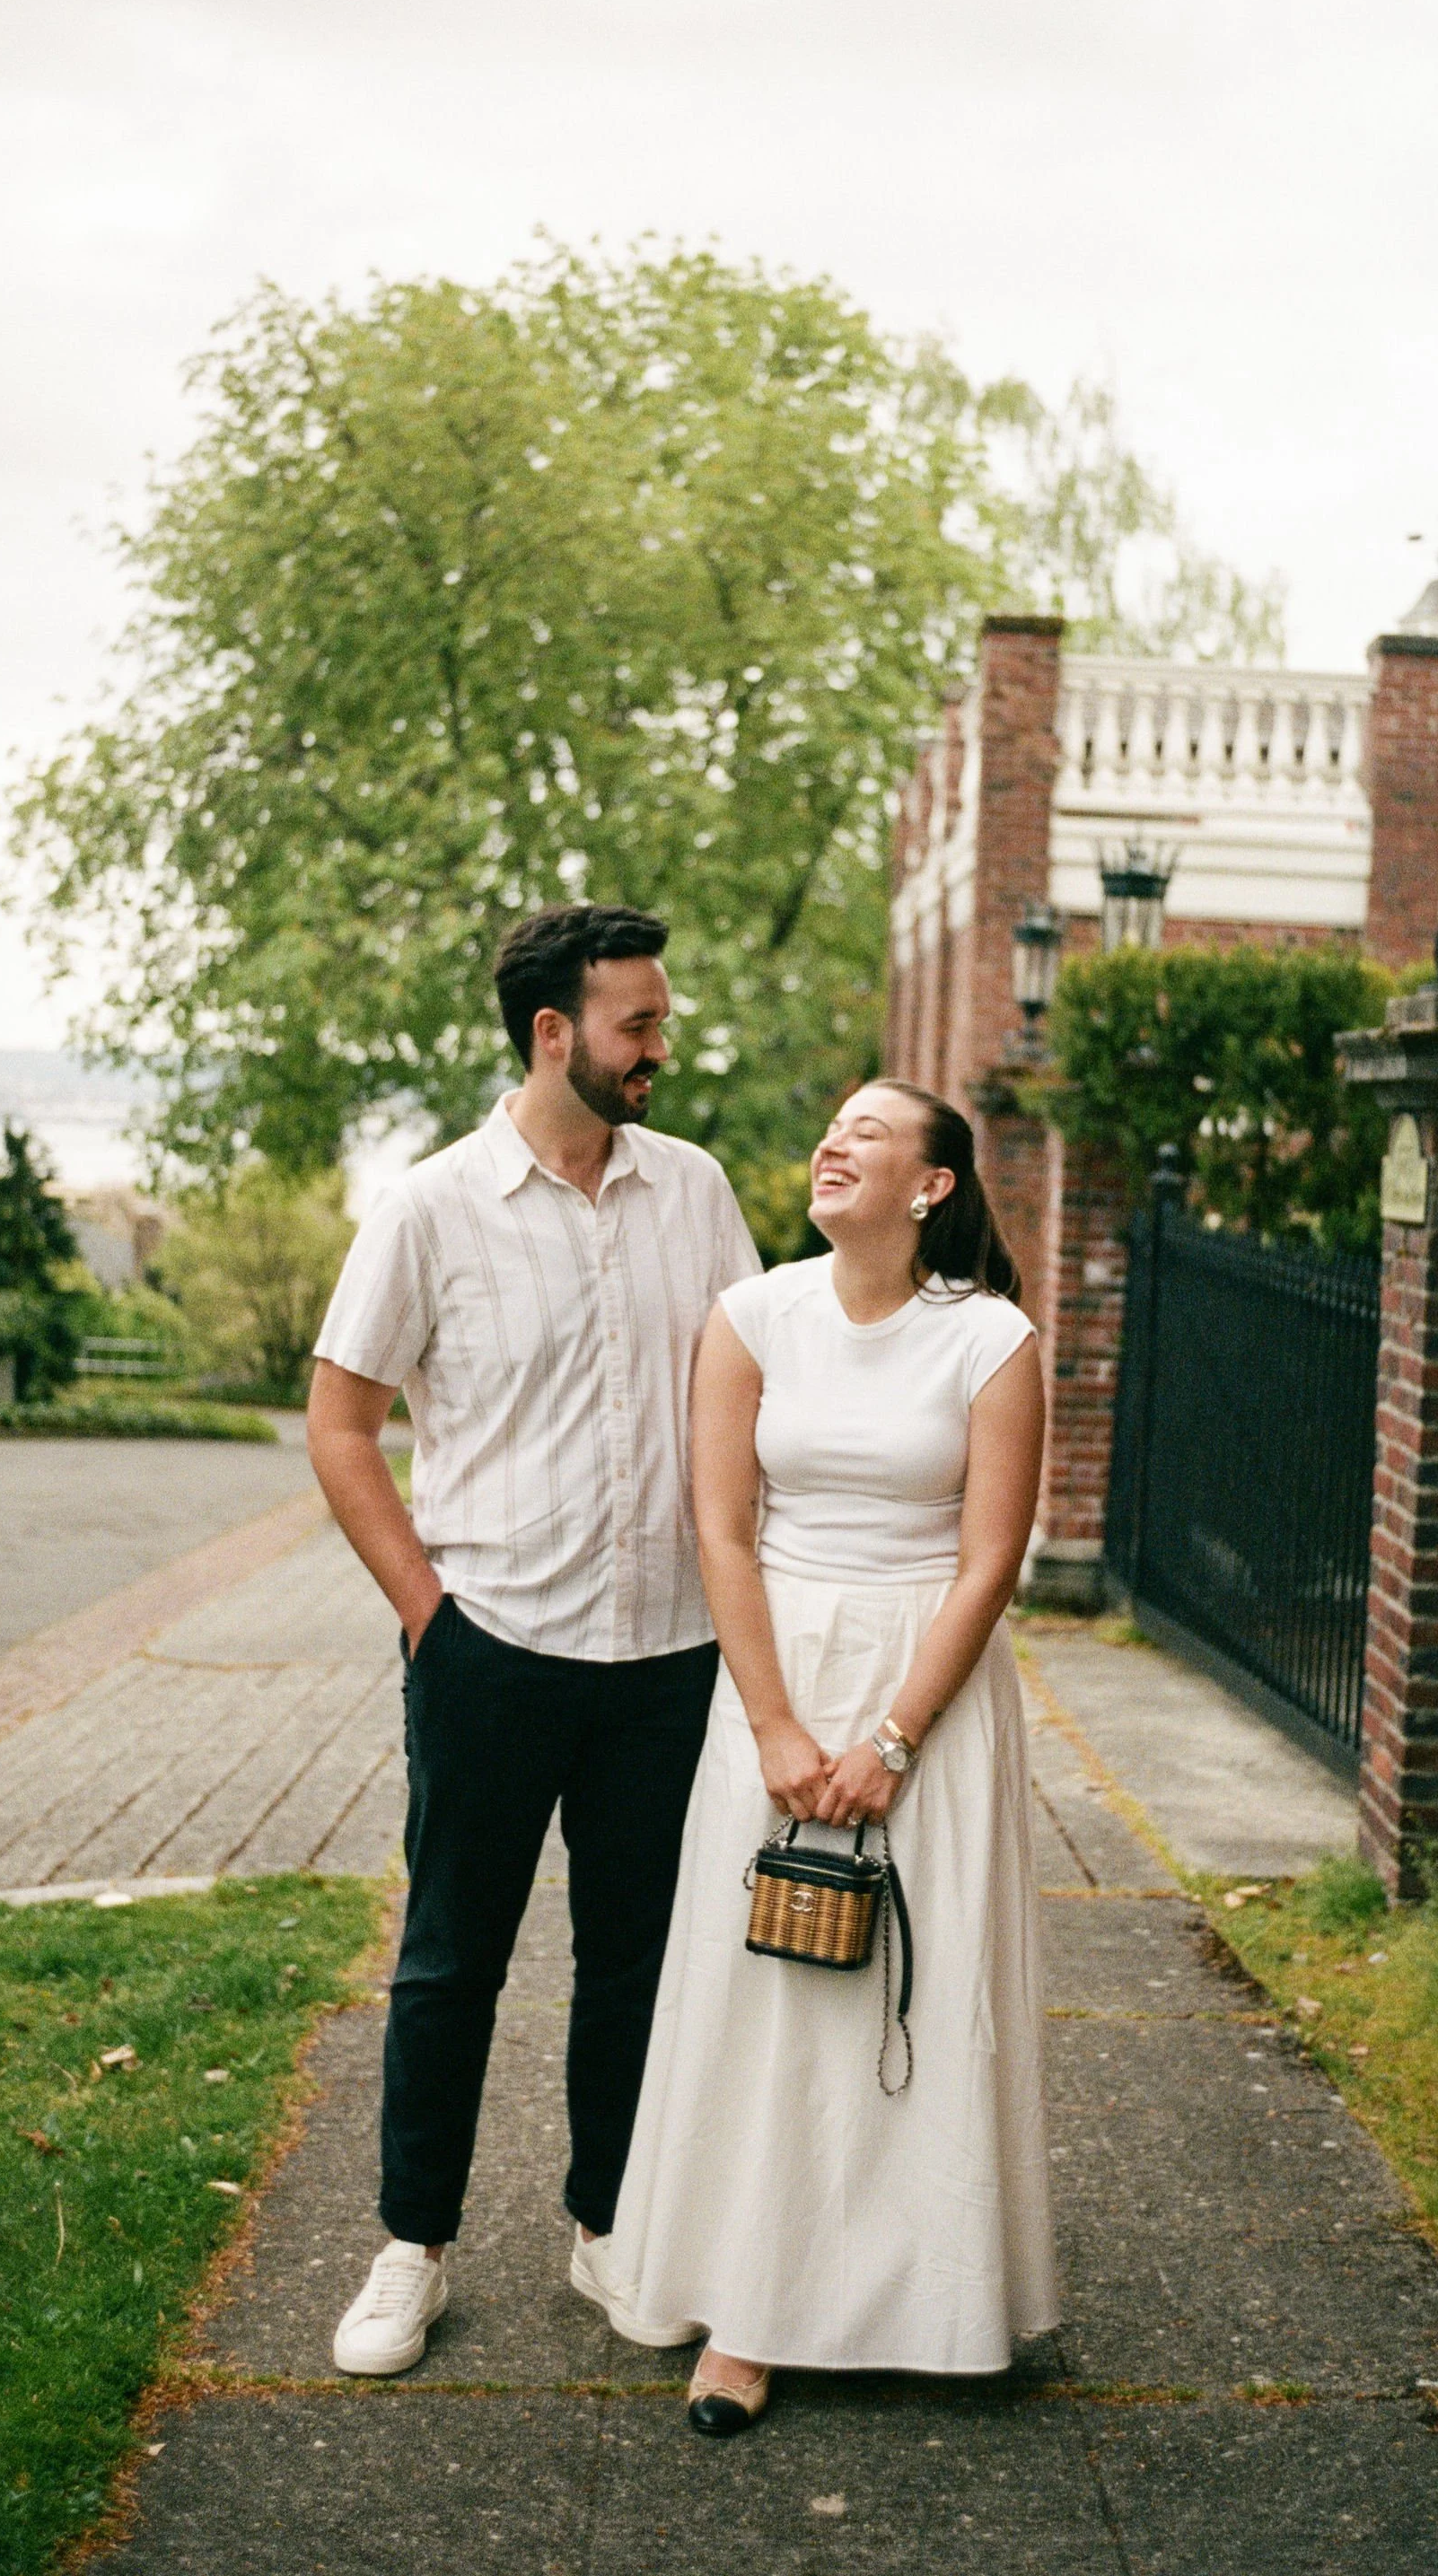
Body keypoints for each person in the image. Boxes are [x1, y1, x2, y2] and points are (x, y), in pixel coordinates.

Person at [309, 902, 759, 2378]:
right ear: (555, 1034)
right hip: (490, 1650)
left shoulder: (695, 1192)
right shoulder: (429, 1209)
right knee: (452, 1962)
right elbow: (341, 1424)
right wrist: (428, 1620)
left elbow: (758, 1383)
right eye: (640, 1023)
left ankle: (608, 2225)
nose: (661, 1045)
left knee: (639, 1962)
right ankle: (412, 2249)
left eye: (662, 1019)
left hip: (669, 1661)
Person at [606, 1078, 1057, 2433]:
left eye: (869, 1131)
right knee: (767, 1998)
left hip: (932, 1689)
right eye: (830, 1127)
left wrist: (896, 1738)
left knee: (920, 1989)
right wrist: (777, 1727)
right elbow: (722, 1529)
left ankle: (925, 2300)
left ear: (932, 1185)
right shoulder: (753, 1318)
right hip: (777, 1674)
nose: (832, 1142)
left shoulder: (991, 1339)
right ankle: (746, 2317)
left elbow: (991, 1559)